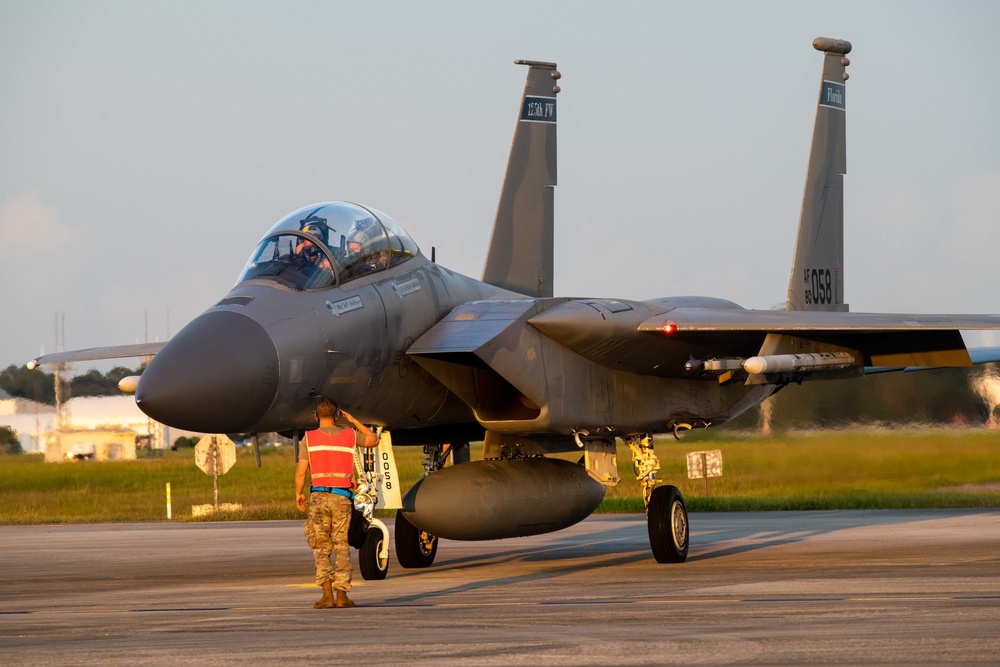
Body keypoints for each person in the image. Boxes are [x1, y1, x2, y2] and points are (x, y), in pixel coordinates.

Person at [295, 398, 377, 608]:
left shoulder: (309, 438)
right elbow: (373, 439)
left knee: (322, 548)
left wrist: (299, 494)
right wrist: (354, 421)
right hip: (342, 498)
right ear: (338, 415)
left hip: (318, 499)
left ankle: (326, 596)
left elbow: (301, 472)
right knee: (342, 546)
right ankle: (342, 596)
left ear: (316, 415)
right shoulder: (349, 435)